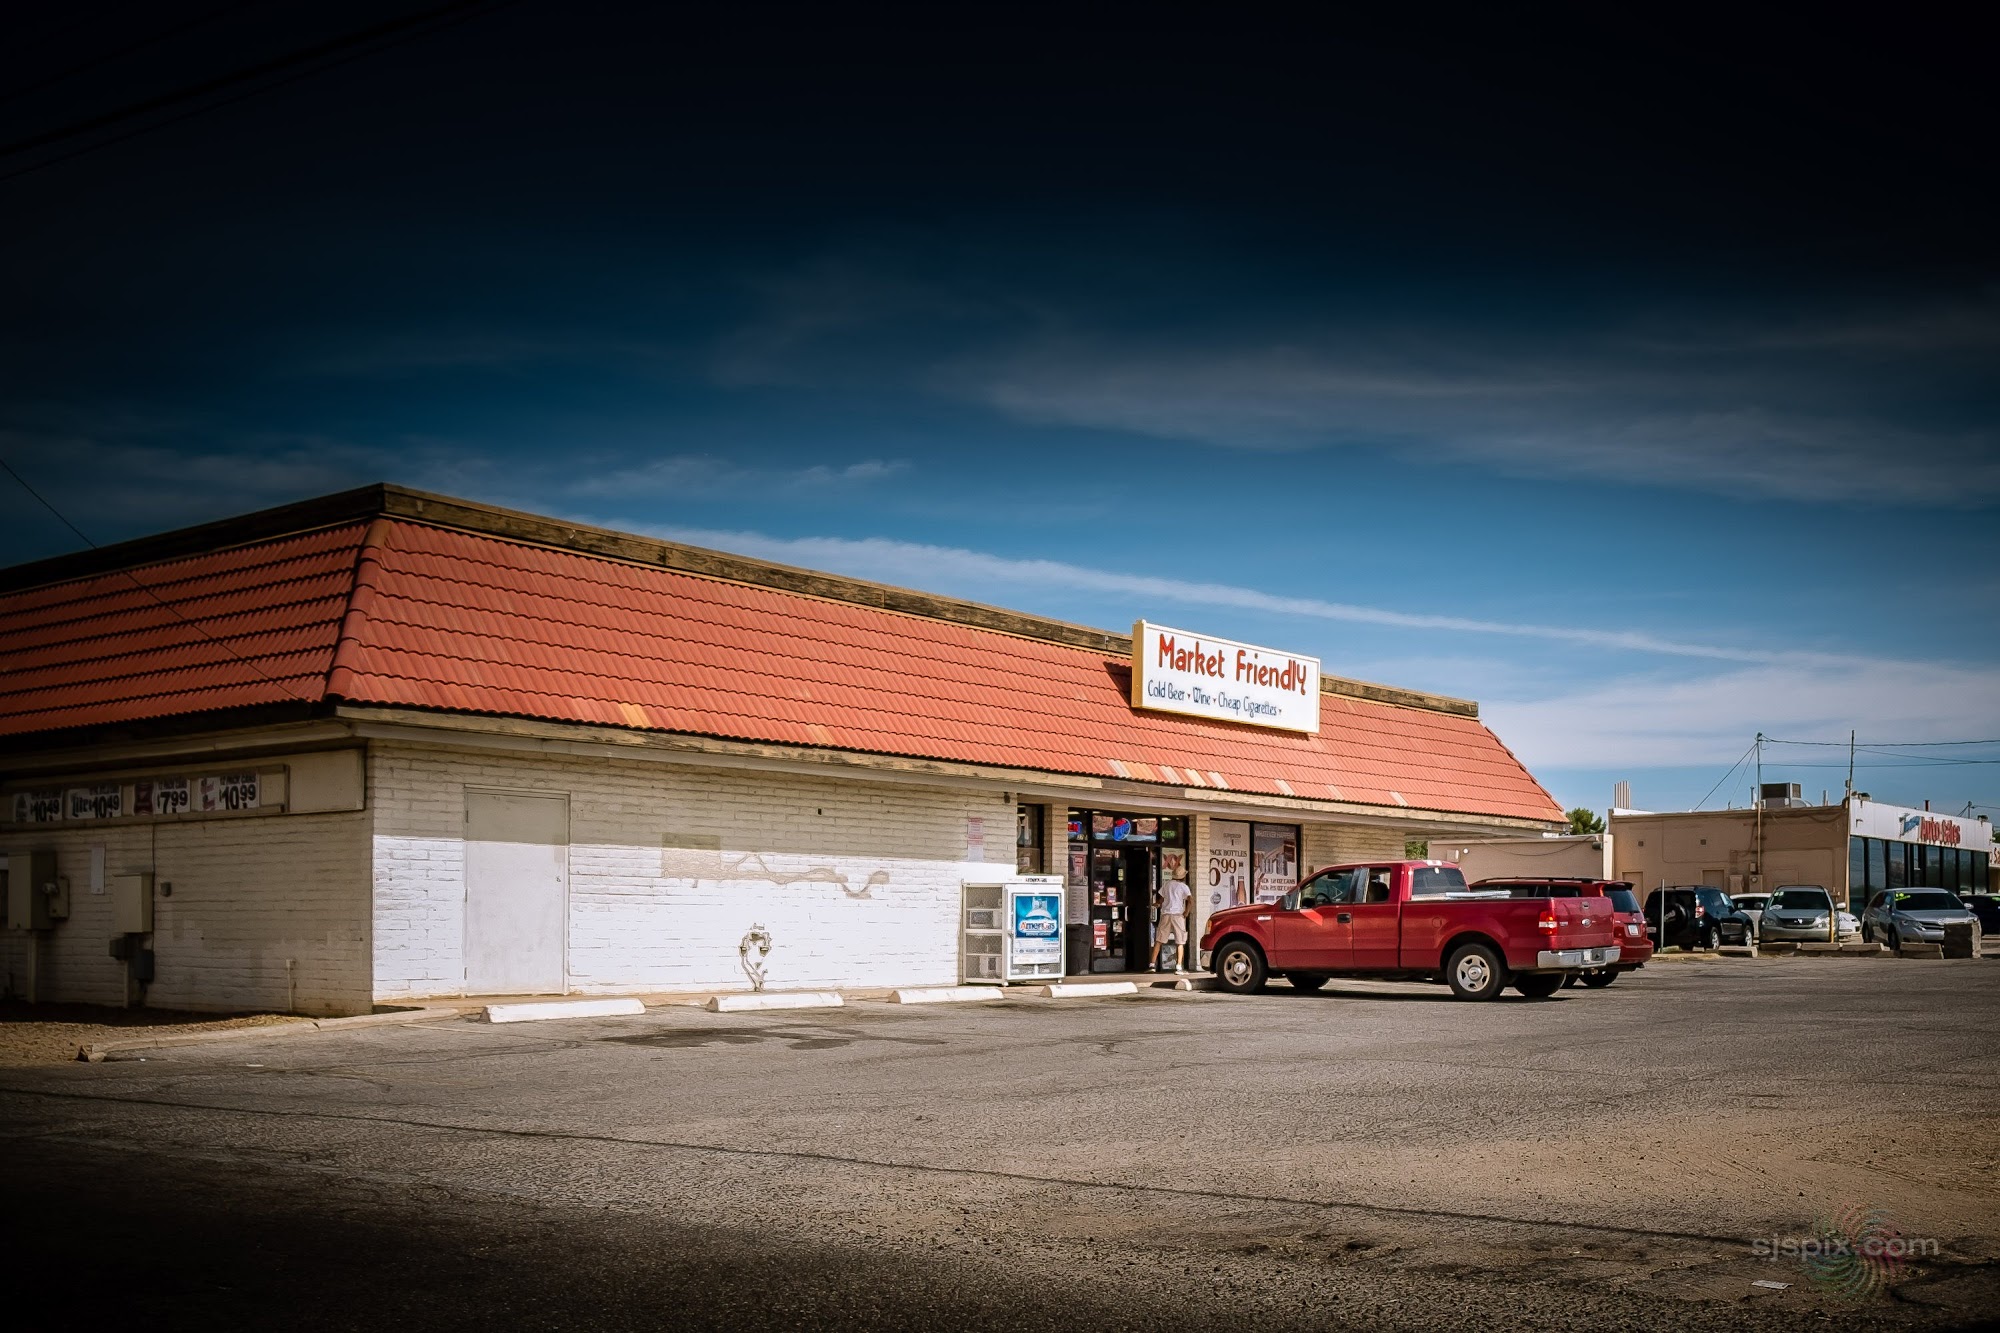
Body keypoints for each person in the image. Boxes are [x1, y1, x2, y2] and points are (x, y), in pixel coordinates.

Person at [1151, 855, 1192, 972]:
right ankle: (1178, 966)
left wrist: (1156, 904)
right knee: (1180, 941)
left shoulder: (1167, 884)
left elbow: (1161, 899)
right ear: (1183, 876)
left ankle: (1152, 964)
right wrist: (1186, 912)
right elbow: (1190, 900)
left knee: (1159, 940)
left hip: (1166, 915)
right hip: (1178, 915)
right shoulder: (1184, 887)